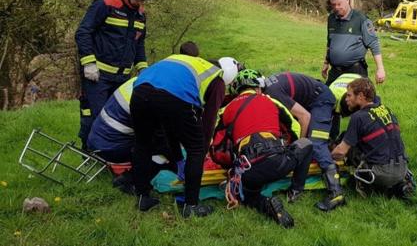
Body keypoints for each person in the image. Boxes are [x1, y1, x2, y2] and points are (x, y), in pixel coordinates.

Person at [130, 49, 240, 218]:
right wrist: (200, 155)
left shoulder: (191, 63)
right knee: (196, 147)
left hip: (139, 90)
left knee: (143, 143)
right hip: (173, 95)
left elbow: (170, 128)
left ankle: (142, 196)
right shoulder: (217, 79)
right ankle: (191, 205)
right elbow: (208, 123)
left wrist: (179, 159)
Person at [86, 42, 201, 193]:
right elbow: (162, 137)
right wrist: (180, 161)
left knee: (154, 145)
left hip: (100, 139)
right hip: (112, 146)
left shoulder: (150, 77)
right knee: (158, 155)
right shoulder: (161, 91)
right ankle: (131, 180)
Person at [219, 69, 313, 228]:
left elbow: (216, 149)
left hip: (249, 170)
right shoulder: (270, 100)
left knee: (249, 196)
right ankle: (296, 190)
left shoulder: (226, 109)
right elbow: (295, 129)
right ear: (258, 88)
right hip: (280, 162)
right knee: (307, 145)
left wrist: (230, 165)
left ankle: (266, 204)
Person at [75, 0, 155, 150]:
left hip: (122, 79)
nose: (140, 3)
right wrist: (88, 62)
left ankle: (110, 156)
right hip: (97, 76)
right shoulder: (105, 5)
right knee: (95, 117)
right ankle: (90, 154)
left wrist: (143, 68)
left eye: (144, 0)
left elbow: (138, 43)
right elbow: (83, 32)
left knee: (119, 120)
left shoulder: (140, 14)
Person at [263, 72, 344, 211]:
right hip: (309, 99)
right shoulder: (267, 87)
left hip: (321, 99)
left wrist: (300, 146)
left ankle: (336, 192)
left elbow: (305, 117)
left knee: (316, 143)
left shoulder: (272, 92)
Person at [331, 78, 414, 200]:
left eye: (349, 95)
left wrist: (327, 157)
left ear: (360, 96)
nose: (346, 99)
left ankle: (365, 185)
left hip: (380, 174)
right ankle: (398, 185)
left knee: (345, 140)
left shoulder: (358, 117)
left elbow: (341, 152)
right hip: (402, 169)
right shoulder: (387, 109)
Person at [321, 0, 386, 86]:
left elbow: (373, 44)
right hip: (335, 71)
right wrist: (326, 63)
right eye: (333, 5)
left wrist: (380, 69)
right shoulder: (331, 19)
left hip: (355, 70)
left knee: (357, 100)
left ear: (347, 0)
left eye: (339, 4)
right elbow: (330, 43)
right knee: (327, 97)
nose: (336, 7)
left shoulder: (361, 19)